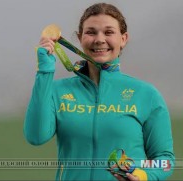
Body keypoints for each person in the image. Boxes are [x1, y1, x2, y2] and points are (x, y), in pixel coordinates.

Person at [24, 2, 174, 181]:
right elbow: (36, 136)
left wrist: (142, 175)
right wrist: (45, 71)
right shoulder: (58, 91)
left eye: (109, 32)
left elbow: (165, 161)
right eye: (91, 32)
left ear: (123, 39)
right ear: (80, 38)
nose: (99, 39)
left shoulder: (146, 95)